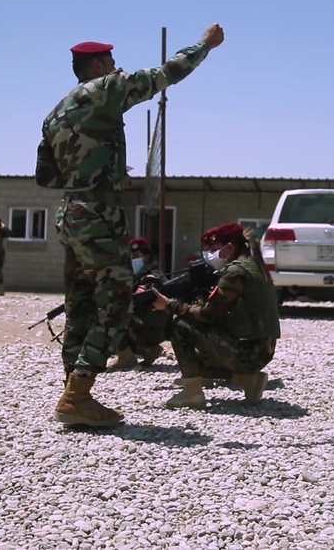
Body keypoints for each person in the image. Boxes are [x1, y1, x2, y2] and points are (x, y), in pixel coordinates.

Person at [43, 24, 225, 427]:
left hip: (70, 214)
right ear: (97, 65)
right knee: (118, 304)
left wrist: (99, 174)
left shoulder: (57, 111)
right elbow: (166, 74)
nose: (115, 67)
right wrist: (205, 45)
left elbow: (48, 176)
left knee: (80, 305)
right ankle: (78, 395)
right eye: (109, 61)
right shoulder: (105, 89)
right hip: (99, 216)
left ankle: (72, 391)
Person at [151, 223, 281, 409]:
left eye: (213, 249)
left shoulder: (235, 272)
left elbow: (207, 315)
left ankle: (192, 393)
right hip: (260, 351)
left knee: (180, 325)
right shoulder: (252, 265)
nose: (208, 254)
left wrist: (169, 305)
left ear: (229, 247)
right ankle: (249, 379)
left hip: (247, 354)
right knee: (198, 328)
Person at [108, 237, 167, 371]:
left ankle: (126, 356)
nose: (132, 260)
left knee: (113, 313)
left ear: (146, 257)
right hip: (142, 325)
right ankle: (149, 349)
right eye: (130, 256)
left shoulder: (152, 275)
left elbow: (142, 296)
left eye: (136, 256)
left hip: (152, 328)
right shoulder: (131, 276)